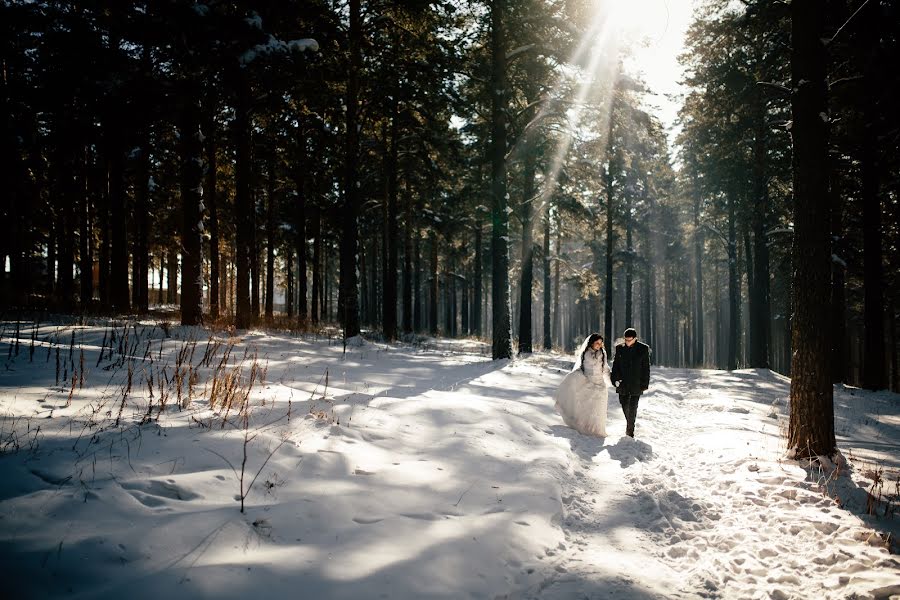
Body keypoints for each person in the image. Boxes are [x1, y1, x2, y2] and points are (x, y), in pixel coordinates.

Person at [554, 333, 610, 437]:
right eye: (597, 343)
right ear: (592, 343)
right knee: (588, 407)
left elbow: (605, 369)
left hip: (600, 384)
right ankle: (587, 427)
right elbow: (581, 368)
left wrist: (611, 380)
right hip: (588, 382)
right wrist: (574, 377)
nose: (599, 345)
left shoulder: (603, 354)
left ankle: (598, 430)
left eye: (600, 343)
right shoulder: (585, 354)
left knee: (599, 408)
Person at [610, 327, 650, 438]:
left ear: (635, 339)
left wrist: (645, 384)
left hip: (636, 383)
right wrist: (614, 380)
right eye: (626, 340)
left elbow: (646, 368)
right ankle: (630, 423)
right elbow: (615, 366)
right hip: (623, 383)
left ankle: (630, 430)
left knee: (633, 407)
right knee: (624, 404)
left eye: (630, 340)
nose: (627, 342)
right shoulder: (620, 348)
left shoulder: (643, 349)